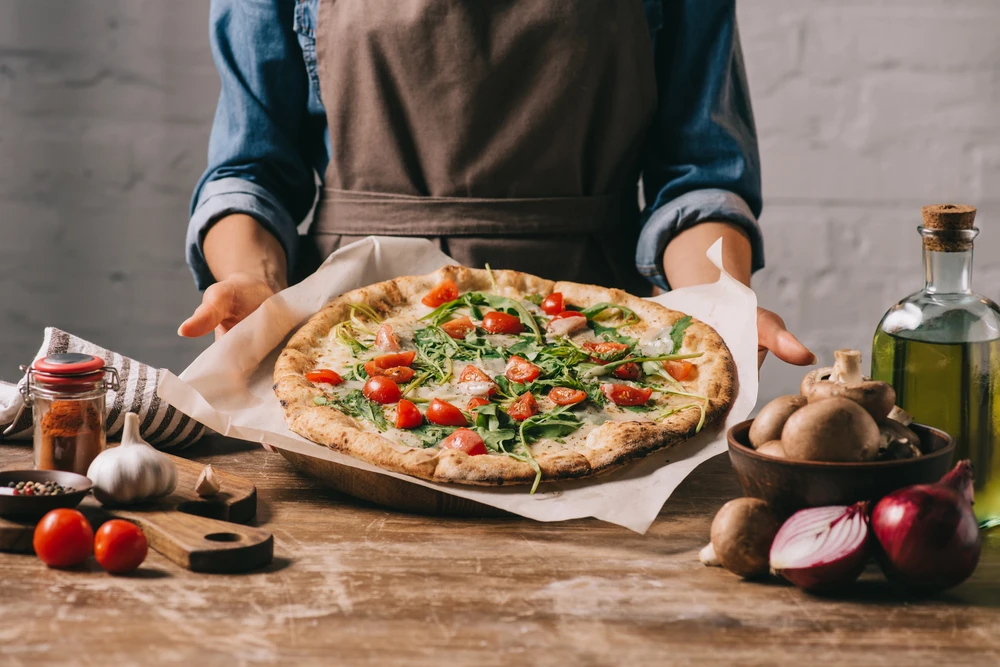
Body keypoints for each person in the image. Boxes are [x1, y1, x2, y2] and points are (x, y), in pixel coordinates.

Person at [178, 0, 814, 369]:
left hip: (597, 347)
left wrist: (719, 302)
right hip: (353, 343)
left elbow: (697, 180)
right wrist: (257, 285)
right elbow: (251, 171)